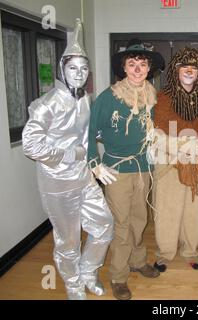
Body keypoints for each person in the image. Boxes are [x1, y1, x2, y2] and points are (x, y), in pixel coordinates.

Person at [22, 19, 113, 300]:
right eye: (73, 68)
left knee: (104, 225)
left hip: (84, 177)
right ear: (63, 69)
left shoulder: (86, 99)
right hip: (58, 183)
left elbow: (86, 136)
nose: (79, 73)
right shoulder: (46, 104)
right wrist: (68, 155)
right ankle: (73, 286)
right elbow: (30, 144)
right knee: (68, 241)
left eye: (84, 68)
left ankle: (88, 272)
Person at [87, 39, 165, 300]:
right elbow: (88, 133)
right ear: (124, 67)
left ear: (149, 68)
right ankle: (118, 276)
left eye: (142, 64)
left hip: (143, 167)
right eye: (132, 64)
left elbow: (156, 129)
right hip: (116, 171)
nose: (137, 69)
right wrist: (94, 163)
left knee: (139, 221)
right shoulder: (109, 97)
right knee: (121, 226)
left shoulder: (153, 96)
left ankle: (138, 261)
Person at [151, 47, 198, 272]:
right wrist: (180, 147)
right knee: (167, 208)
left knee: (192, 209)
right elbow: (156, 133)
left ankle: (190, 250)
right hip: (169, 163)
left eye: (194, 67)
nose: (189, 70)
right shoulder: (162, 98)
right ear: (175, 70)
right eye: (184, 66)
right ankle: (165, 253)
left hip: (195, 163)